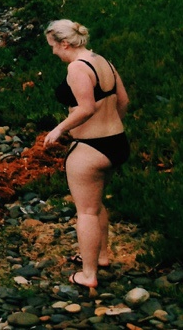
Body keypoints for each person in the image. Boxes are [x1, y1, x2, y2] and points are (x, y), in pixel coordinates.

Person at [43, 19, 129, 292]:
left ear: (64, 43)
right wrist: (111, 129)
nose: (53, 52)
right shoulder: (102, 61)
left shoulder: (77, 68)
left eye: (53, 46)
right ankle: (100, 256)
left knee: (86, 212)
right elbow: (123, 101)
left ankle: (88, 274)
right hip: (116, 143)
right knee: (97, 204)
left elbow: (86, 107)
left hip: (90, 149)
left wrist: (59, 129)